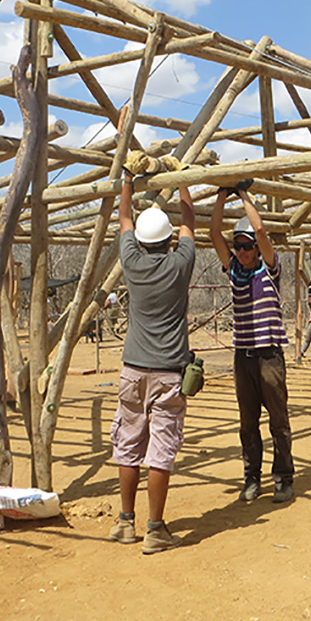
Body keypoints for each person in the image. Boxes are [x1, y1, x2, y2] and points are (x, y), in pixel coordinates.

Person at [109, 144, 197, 554]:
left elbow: (124, 216)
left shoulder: (132, 261)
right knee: (160, 449)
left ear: (143, 243)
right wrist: (180, 184)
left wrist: (127, 178)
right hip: (168, 372)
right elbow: (189, 225)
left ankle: (125, 522)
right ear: (167, 242)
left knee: (128, 443)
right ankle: (155, 528)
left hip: (132, 368)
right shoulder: (179, 266)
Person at [211, 184, 294, 503]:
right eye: (239, 246)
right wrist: (222, 195)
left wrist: (243, 196)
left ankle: (284, 478)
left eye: (247, 247)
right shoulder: (234, 271)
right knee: (247, 424)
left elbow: (259, 229)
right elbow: (214, 233)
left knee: (278, 421)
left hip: (269, 357)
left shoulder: (269, 270)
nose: (243, 251)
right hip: (243, 358)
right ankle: (252, 479)